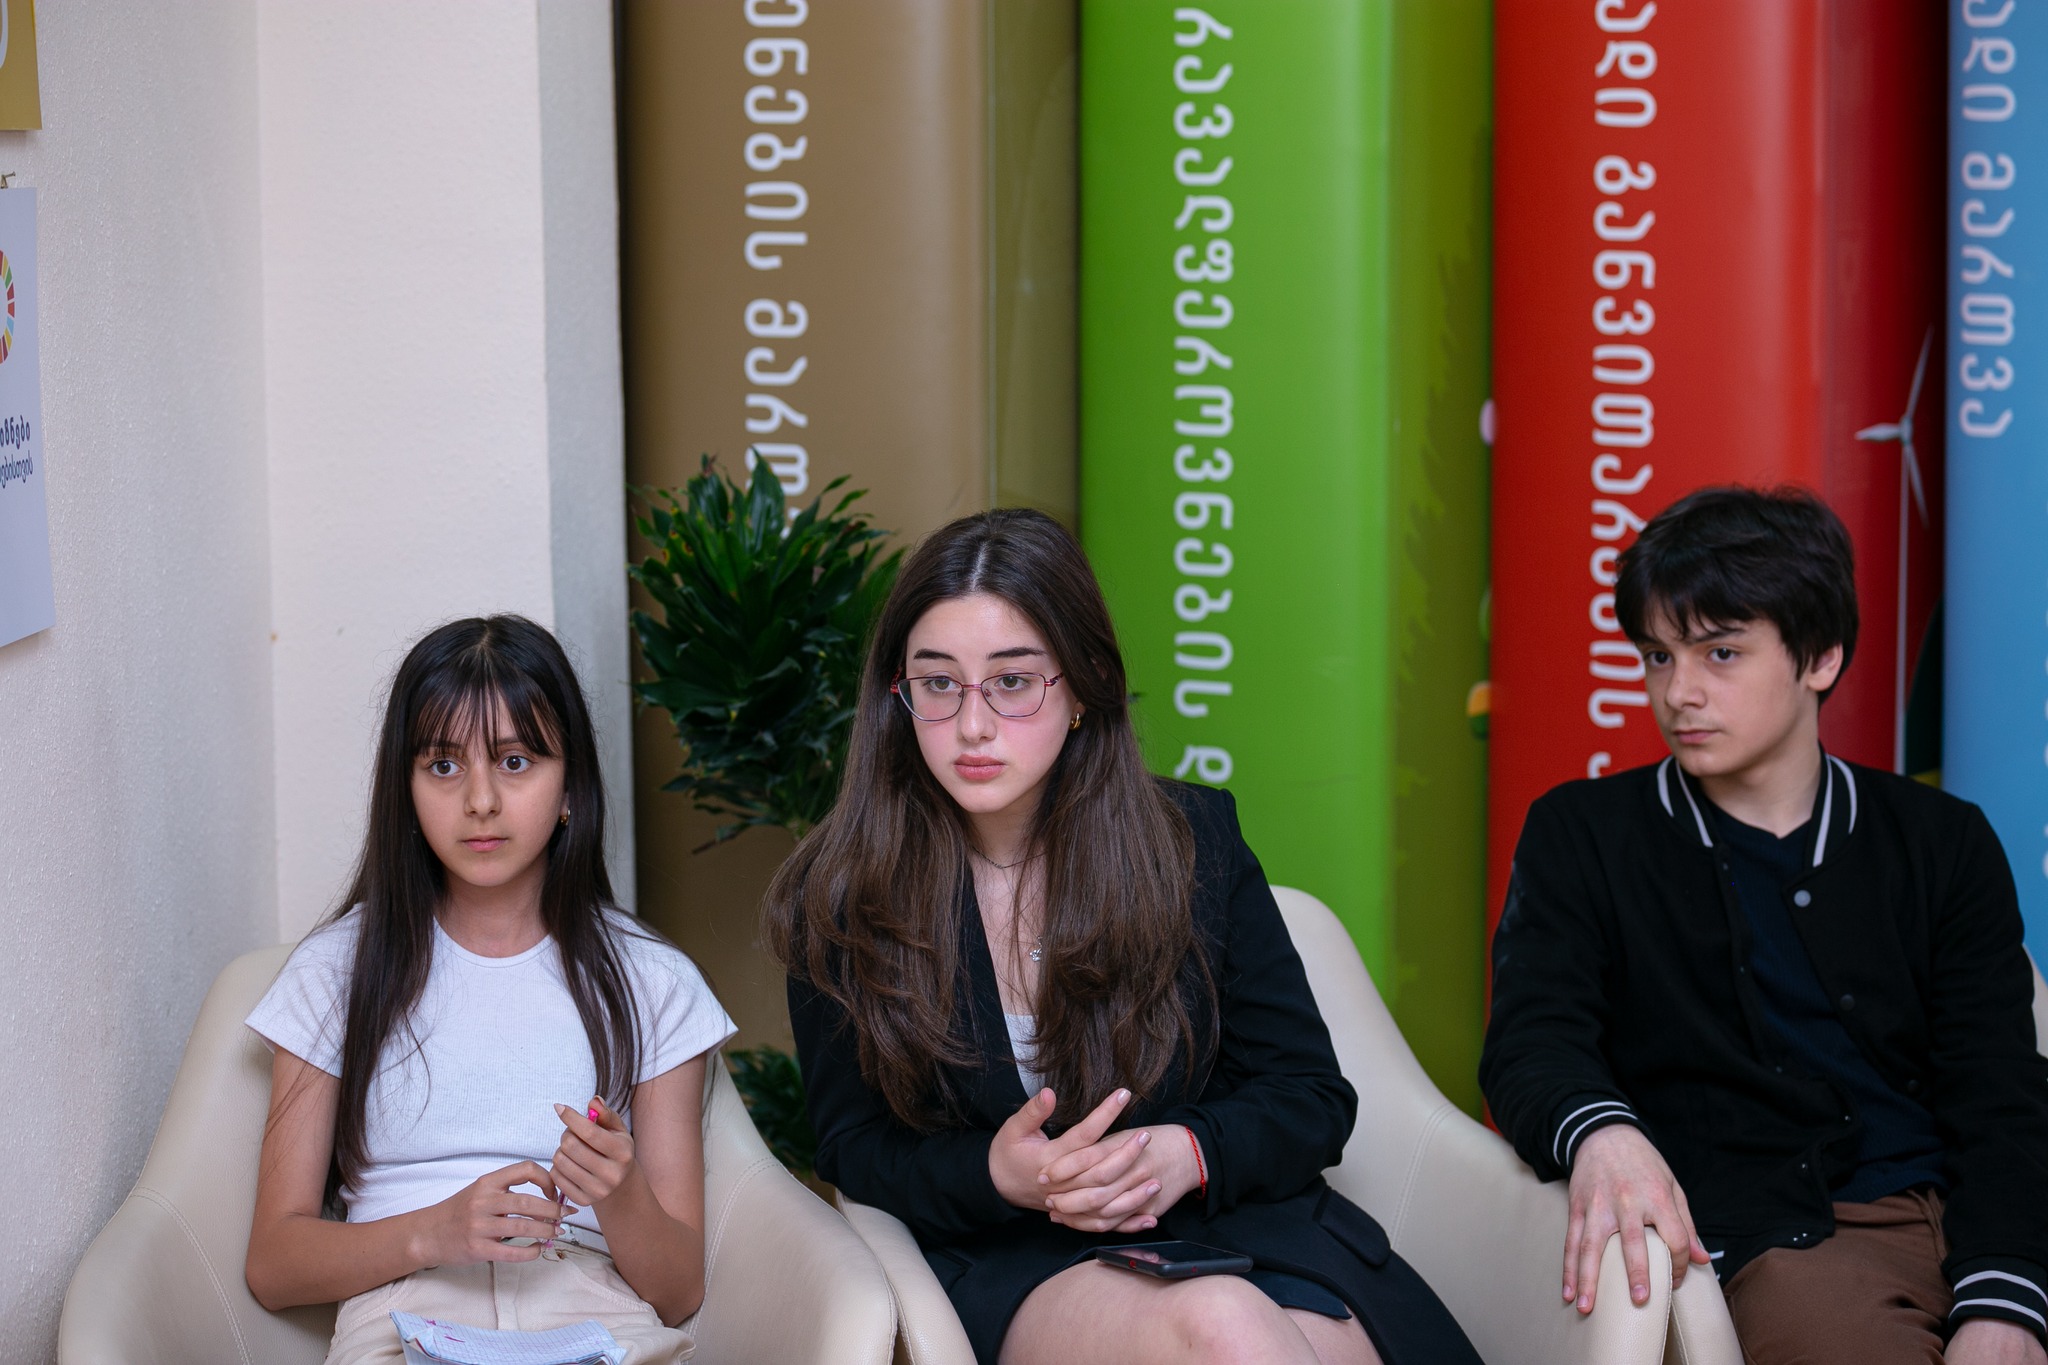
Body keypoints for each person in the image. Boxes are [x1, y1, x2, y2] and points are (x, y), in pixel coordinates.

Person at [766, 509, 1481, 1365]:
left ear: (1084, 685)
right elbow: (855, 1148)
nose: (973, 725)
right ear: (899, 694)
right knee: (1223, 1327)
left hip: (1232, 1225)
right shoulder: (842, 892)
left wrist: (1185, 1153)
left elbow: (1310, 1098)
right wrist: (999, 1173)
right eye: (939, 683)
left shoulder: (1192, 841)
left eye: (1013, 681)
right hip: (1009, 1255)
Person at [1481, 486, 2048, 1365]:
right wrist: (1603, 1131)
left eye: (1721, 652)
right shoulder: (1583, 833)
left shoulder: (1942, 840)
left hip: (1975, 1211)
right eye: (1658, 656)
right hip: (1780, 1238)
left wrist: (2005, 1294)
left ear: (1820, 657)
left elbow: (1999, 1086)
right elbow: (1530, 1042)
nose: (1679, 692)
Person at [244, 616, 735, 1364]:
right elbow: (274, 1264)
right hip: (405, 1316)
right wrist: (431, 1232)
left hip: (594, 1315)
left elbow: (678, 1291)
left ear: (569, 784)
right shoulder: (336, 972)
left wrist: (621, 1191)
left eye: (514, 761)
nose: (480, 800)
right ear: (405, 789)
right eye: (443, 765)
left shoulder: (653, 980)